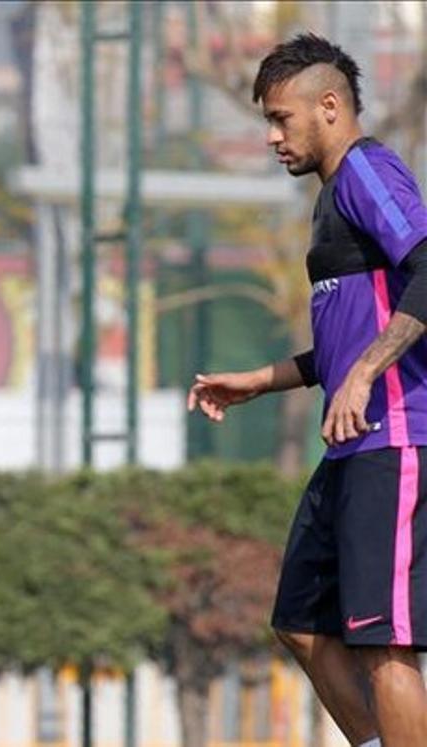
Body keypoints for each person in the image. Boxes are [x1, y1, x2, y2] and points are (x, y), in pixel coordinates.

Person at [189, 34, 427, 747]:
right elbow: (348, 340)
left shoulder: (368, 170)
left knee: (385, 645)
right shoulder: (330, 200)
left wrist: (362, 373)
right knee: (301, 621)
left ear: (330, 106)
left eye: (280, 118)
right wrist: (261, 382)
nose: (270, 136)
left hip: (396, 435)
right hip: (354, 446)